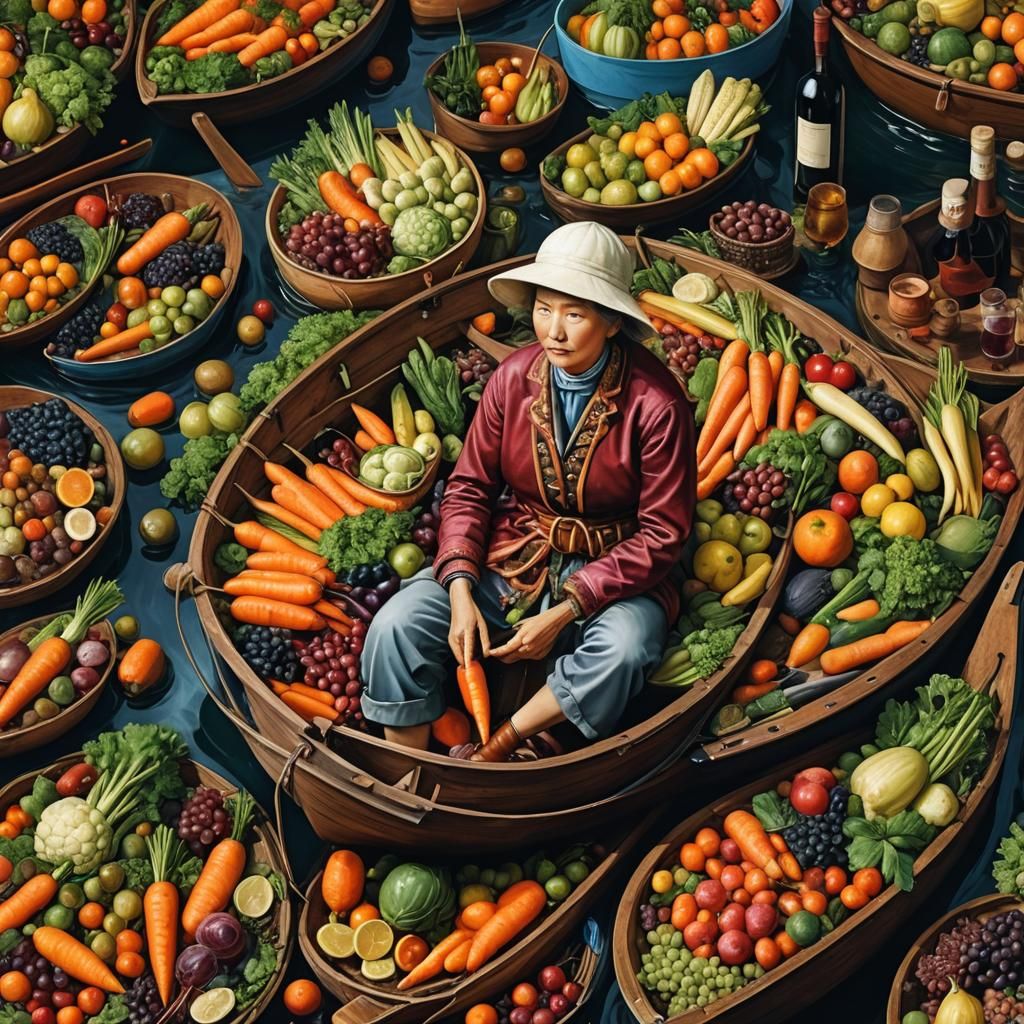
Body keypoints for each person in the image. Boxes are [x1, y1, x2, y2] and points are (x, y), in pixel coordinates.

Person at [362, 221, 696, 761]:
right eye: (544, 308)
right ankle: (407, 769)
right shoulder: (512, 379)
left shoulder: (657, 404)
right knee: (397, 623)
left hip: (619, 568)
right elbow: (469, 486)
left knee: (626, 648)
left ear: (612, 322)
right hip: (515, 553)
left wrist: (567, 608)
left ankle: (502, 747)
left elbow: (664, 534)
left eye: (575, 313)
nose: (553, 331)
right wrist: (461, 590)